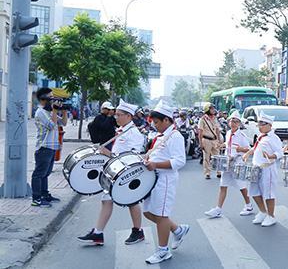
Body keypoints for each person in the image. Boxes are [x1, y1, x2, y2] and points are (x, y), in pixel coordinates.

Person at [77, 100, 146, 246]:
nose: (116, 117)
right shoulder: (122, 130)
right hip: (114, 173)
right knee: (106, 201)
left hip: (125, 175)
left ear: (129, 116)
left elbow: (133, 158)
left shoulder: (133, 133)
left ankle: (137, 231)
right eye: (116, 115)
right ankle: (98, 233)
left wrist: (108, 154)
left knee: (132, 202)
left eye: (119, 115)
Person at [142, 101, 188, 264]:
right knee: (147, 212)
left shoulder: (175, 136)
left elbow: (179, 161)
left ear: (167, 120)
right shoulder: (160, 136)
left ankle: (163, 250)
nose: (154, 125)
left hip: (165, 179)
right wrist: (148, 158)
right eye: (153, 122)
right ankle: (178, 229)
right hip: (153, 178)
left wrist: (155, 164)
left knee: (161, 215)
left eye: (156, 122)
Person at [204, 111, 254, 218]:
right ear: (228, 122)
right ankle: (218, 209)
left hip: (237, 163)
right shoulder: (228, 133)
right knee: (223, 185)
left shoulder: (242, 135)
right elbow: (228, 144)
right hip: (227, 164)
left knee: (242, 187)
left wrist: (240, 149)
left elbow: (248, 149)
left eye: (236, 121)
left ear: (239, 124)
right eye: (232, 121)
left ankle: (249, 206)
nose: (233, 123)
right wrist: (222, 145)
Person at [242, 112, 283, 227]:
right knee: (254, 191)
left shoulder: (273, 138)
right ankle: (263, 211)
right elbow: (256, 147)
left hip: (267, 169)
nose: (259, 127)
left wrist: (271, 156)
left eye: (262, 124)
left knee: (269, 194)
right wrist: (248, 154)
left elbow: (280, 152)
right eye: (258, 124)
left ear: (269, 125)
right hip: (256, 168)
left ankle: (271, 216)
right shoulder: (261, 136)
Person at [31, 88, 68, 207]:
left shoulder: (49, 112)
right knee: (39, 174)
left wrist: (64, 111)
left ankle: (44, 194)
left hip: (52, 147)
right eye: (50, 98)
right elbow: (52, 126)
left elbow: (64, 123)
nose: (53, 101)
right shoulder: (40, 112)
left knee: (46, 173)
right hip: (44, 147)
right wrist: (55, 111)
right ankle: (36, 198)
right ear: (43, 99)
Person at [198, 103, 223, 179]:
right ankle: (207, 173)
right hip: (206, 140)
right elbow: (200, 132)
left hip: (214, 140)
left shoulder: (215, 118)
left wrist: (219, 140)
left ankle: (219, 172)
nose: (213, 110)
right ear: (207, 110)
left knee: (217, 156)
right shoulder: (202, 119)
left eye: (213, 108)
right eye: (211, 108)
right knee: (206, 157)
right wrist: (200, 143)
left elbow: (217, 130)